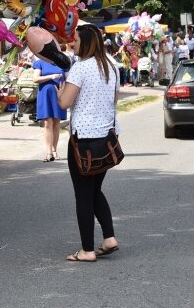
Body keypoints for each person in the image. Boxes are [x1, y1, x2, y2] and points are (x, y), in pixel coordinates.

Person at [57, 24, 120, 263]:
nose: (72, 43)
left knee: (83, 194)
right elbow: (114, 100)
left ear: (86, 42)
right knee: (94, 190)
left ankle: (87, 250)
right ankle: (109, 237)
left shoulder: (80, 68)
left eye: (74, 39)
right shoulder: (112, 66)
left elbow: (64, 103)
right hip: (106, 138)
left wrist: (59, 90)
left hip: (82, 140)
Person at [32, 58, 67, 162]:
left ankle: (54, 150)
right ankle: (49, 152)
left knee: (56, 123)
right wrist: (50, 77)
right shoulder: (40, 62)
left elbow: (69, 79)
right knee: (48, 123)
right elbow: (35, 79)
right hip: (45, 94)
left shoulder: (63, 62)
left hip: (59, 94)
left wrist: (64, 91)